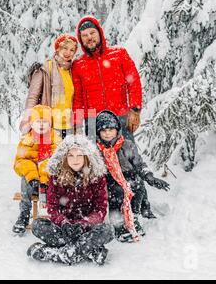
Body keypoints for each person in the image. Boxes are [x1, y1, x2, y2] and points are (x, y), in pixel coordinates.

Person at [71, 16, 156, 218]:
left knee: (130, 159)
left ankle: (142, 204)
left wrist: (134, 110)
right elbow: (79, 97)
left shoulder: (119, 54)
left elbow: (133, 81)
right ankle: (106, 206)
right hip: (93, 121)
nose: (89, 38)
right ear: (81, 40)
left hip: (120, 117)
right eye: (85, 36)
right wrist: (76, 123)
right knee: (97, 165)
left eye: (92, 33)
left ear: (99, 33)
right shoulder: (79, 65)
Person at [27, 135, 114, 265]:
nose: (75, 160)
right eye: (71, 156)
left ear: (87, 156)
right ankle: (89, 251)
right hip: (62, 229)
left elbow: (100, 209)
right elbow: (52, 207)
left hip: (87, 230)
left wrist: (84, 224)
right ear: (64, 158)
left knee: (108, 230)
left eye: (79, 155)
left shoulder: (97, 177)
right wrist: (64, 223)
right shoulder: (56, 177)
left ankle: (55, 253)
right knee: (37, 225)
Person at [95, 110, 170, 242]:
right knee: (117, 193)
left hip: (129, 176)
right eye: (103, 130)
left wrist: (149, 177)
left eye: (111, 129)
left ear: (117, 130)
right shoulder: (96, 150)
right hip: (109, 180)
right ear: (98, 133)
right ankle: (119, 224)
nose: (107, 133)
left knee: (138, 186)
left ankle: (135, 215)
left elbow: (139, 164)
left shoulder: (127, 145)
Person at [19, 33, 78, 139]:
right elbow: (33, 97)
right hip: (49, 125)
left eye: (72, 50)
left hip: (69, 127)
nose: (68, 52)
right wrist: (27, 121)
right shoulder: (45, 68)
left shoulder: (73, 71)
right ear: (58, 48)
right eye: (65, 48)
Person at [13, 105, 61, 234]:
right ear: (32, 124)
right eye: (37, 121)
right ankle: (24, 213)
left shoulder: (55, 140)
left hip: (48, 181)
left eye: (44, 121)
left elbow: (56, 161)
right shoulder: (26, 141)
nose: (41, 125)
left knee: (57, 177)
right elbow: (20, 162)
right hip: (32, 182)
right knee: (25, 179)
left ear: (50, 124)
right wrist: (33, 176)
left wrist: (44, 176)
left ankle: (56, 213)